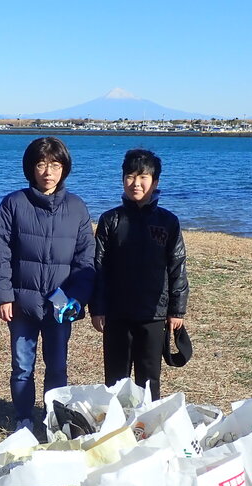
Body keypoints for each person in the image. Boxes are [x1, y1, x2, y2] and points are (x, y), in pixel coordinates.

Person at [0, 137, 94, 432]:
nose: (48, 172)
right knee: (22, 366)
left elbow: (85, 260)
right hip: (22, 303)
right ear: (30, 168)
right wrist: (3, 296)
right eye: (41, 164)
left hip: (60, 305)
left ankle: (53, 420)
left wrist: (76, 298)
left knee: (57, 366)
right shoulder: (13, 204)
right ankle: (23, 419)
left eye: (55, 165)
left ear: (64, 168)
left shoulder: (77, 208)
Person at [90, 148, 189, 400]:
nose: (136, 183)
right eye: (130, 176)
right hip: (117, 313)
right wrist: (97, 308)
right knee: (116, 380)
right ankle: (117, 421)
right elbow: (98, 266)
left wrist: (177, 311)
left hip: (153, 313)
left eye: (143, 177)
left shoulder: (168, 221)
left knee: (149, 379)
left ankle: (148, 421)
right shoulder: (110, 220)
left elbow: (177, 266)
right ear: (122, 179)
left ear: (154, 182)